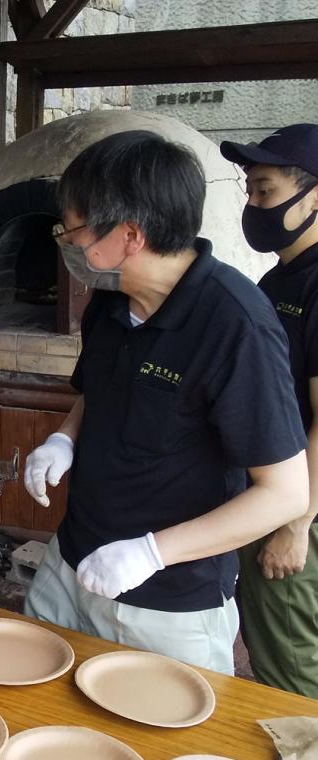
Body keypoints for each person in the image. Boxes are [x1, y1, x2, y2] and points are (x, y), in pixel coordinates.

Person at [23, 129, 309, 674]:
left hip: (168, 601)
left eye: (74, 228)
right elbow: (100, 392)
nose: (65, 243)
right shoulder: (109, 303)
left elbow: (285, 494)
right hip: (70, 563)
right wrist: (63, 438)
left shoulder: (236, 324)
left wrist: (149, 553)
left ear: (130, 234)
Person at [220, 124, 318, 696]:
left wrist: (294, 521)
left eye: (265, 191)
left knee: (289, 670)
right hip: (273, 496)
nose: (253, 206)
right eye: (250, 193)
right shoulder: (281, 277)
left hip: (295, 509)